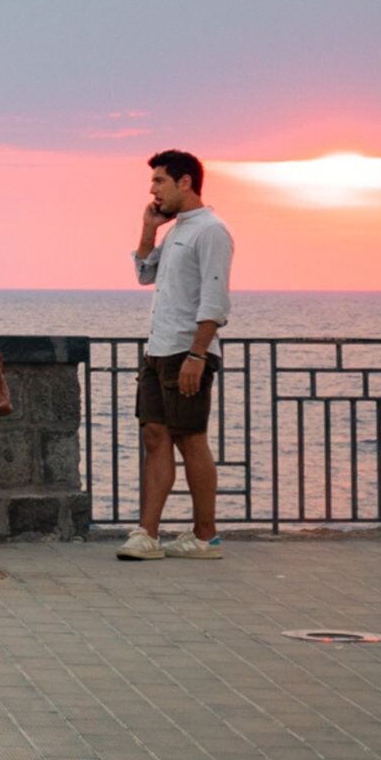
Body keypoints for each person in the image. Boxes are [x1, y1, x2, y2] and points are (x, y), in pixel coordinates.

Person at [120, 150, 231, 562]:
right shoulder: (177, 230)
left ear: (186, 182)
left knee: (190, 439)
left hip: (188, 350)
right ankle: (146, 535)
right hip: (158, 349)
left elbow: (215, 300)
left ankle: (206, 536)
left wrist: (198, 355)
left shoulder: (212, 231)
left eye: (160, 181)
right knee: (155, 437)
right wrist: (148, 228)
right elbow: (145, 275)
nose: (153, 190)